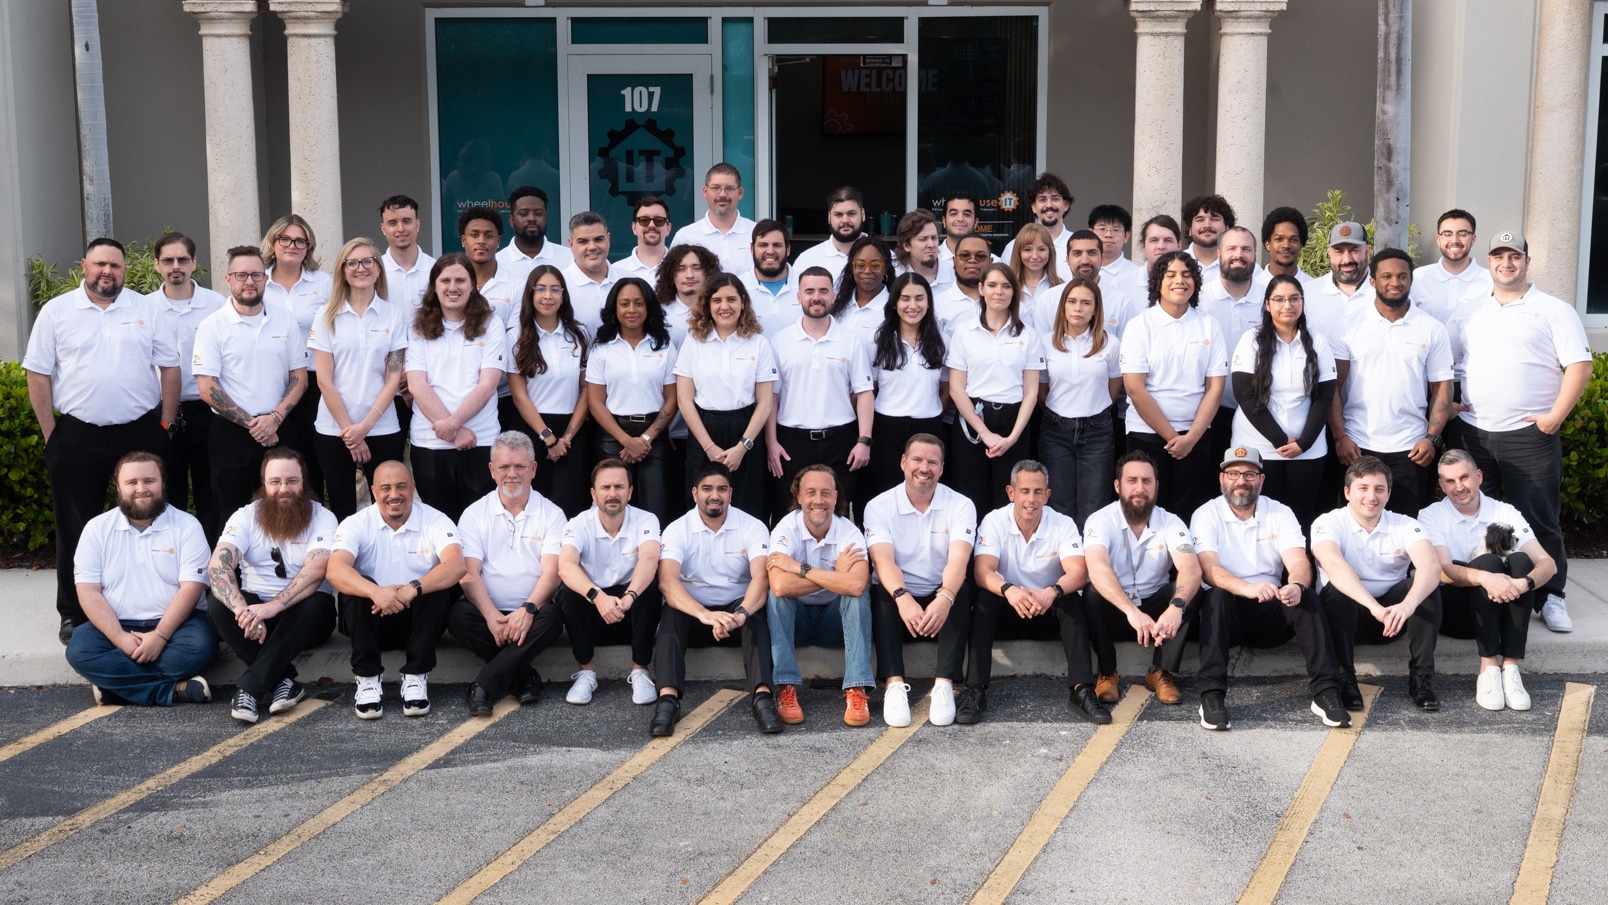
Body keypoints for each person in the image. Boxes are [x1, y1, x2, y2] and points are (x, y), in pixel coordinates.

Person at [26, 237, 178, 642]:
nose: (107, 271)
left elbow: (169, 366)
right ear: (84, 266)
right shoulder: (57, 312)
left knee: (150, 523)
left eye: (115, 265)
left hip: (140, 432)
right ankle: (74, 613)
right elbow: (38, 373)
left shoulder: (146, 308)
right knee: (76, 527)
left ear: (126, 270)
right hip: (77, 434)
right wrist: (51, 434)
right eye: (99, 265)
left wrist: (163, 424)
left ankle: (158, 606)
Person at [1455, 229, 1591, 633]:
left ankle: (1552, 597)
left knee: (1539, 519)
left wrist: (1554, 418)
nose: (1506, 263)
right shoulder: (1471, 310)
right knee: (1480, 519)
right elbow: (1455, 363)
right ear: (1490, 261)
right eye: (1498, 256)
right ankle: (1491, 590)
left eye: (1514, 256)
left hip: (1528, 436)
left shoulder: (1554, 309)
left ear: (1527, 261)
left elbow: (1579, 367)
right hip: (1473, 433)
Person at [1190, 447, 1350, 730]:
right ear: (1222, 479)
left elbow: (1299, 560)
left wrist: (1297, 584)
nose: (1241, 480)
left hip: (1269, 609)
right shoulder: (1206, 514)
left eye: (1250, 474)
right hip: (1227, 614)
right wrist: (1246, 588)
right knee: (1216, 596)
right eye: (1234, 474)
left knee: (1307, 597)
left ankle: (1326, 691)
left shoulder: (1280, 512)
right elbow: (1209, 569)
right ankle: (1211, 695)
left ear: (1261, 480)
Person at [66, 452, 213, 706]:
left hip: (178, 627)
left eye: (149, 481)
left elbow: (192, 588)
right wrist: (120, 639)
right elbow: (88, 591)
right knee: (80, 649)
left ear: (163, 484)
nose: (141, 489)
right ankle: (169, 691)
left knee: (201, 647)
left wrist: (160, 636)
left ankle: (116, 688)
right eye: (132, 482)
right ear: (118, 487)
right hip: (117, 625)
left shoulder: (187, 526)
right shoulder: (96, 529)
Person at [206, 448, 337, 723]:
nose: (283, 489)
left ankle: (249, 688)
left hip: (303, 614)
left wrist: (272, 607)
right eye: (275, 482)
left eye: (291, 481)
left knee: (314, 605)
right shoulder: (245, 516)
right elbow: (218, 566)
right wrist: (245, 610)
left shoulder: (323, 517)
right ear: (264, 484)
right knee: (218, 604)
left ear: (304, 482)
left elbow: (317, 570)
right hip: (255, 615)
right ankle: (284, 682)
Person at [1419, 449, 1556, 711]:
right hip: (1459, 613)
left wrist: (1521, 584)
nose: (1459, 487)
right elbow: (1442, 571)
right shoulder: (1431, 515)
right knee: (1490, 562)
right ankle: (1489, 669)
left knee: (1521, 562)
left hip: (1506, 603)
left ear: (1479, 476)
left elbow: (1547, 564)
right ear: (1441, 484)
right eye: (1450, 481)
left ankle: (1511, 669)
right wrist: (1485, 578)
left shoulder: (1505, 511)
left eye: (1464, 477)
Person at [973, 460, 1110, 725]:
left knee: (1070, 599)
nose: (1031, 499)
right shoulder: (994, 521)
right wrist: (1009, 590)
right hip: (1009, 609)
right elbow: (982, 571)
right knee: (984, 599)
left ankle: (1081, 690)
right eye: (1024, 491)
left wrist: (1051, 591)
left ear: (1047, 495)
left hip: (1047, 610)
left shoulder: (1063, 524)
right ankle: (975, 690)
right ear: (1011, 493)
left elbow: (1079, 573)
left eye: (1038, 492)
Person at [327, 460, 466, 719]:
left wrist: (412, 588)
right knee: (355, 586)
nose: (394, 494)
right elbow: (335, 570)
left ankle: (415, 677)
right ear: (374, 491)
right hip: (369, 619)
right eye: (386, 488)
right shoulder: (356, 523)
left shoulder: (436, 519)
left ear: (413, 488)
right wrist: (376, 592)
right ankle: (367, 679)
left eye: (401, 486)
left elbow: (456, 565)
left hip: (418, 622)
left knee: (433, 588)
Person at [651, 462, 780, 736]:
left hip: (736, 613)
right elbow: (667, 581)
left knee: (756, 618)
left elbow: (761, 578)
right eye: (707, 489)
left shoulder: (752, 526)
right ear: (695, 492)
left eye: (722, 489)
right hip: (695, 613)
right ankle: (667, 700)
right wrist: (705, 615)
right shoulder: (677, 529)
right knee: (670, 617)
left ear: (731, 493)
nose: (715, 495)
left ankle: (763, 697)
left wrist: (741, 614)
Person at [1311, 456, 1444, 712]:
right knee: (1339, 590)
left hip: (1392, 619)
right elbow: (1335, 566)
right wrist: (1373, 606)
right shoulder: (1327, 522)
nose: (1371, 497)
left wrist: (1407, 606)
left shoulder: (1406, 524)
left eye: (1379, 489)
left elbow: (1431, 566)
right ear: (1347, 492)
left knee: (1426, 586)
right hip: (1345, 617)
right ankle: (1345, 677)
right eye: (1363, 488)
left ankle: (1421, 679)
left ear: (1388, 494)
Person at [450, 432, 569, 715]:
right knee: (456, 616)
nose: (511, 474)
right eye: (504, 467)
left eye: (520, 467)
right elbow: (469, 574)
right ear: (492, 471)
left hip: (534, 611)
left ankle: (484, 686)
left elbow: (552, 573)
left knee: (554, 617)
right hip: (486, 614)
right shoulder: (473, 514)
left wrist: (527, 610)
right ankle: (522, 676)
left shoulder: (552, 514)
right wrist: (492, 616)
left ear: (534, 470)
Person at [193, 245, 309, 534]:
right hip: (231, 433)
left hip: (280, 428)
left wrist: (275, 419)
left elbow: (299, 376)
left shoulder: (284, 320)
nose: (250, 281)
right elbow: (207, 387)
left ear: (266, 279)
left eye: (256, 274)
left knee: (288, 509)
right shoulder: (212, 326)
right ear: (228, 279)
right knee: (230, 515)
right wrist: (252, 424)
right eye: (241, 275)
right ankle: (231, 577)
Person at [1329, 248, 1453, 516]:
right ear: (1372, 281)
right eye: (1386, 276)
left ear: (1410, 280)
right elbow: (1334, 387)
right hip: (1359, 444)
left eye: (1402, 276)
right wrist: (1340, 437)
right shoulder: (1348, 325)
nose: (1395, 282)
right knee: (1360, 523)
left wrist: (1432, 437)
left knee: (1408, 526)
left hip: (1411, 448)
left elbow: (1442, 387)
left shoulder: (1432, 329)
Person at [864, 434, 976, 727]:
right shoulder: (878, 505)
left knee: (960, 590)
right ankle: (894, 684)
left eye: (932, 462)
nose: (924, 468)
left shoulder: (961, 505)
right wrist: (902, 597)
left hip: (940, 595)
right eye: (917, 460)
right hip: (900, 596)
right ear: (903, 463)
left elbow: (959, 560)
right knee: (880, 591)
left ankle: (943, 684)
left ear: (941, 467)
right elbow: (882, 560)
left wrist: (945, 597)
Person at [1081, 451, 1202, 706]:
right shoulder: (1100, 520)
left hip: (1156, 613)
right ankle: (1107, 671)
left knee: (1191, 590)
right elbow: (1097, 567)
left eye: (1147, 481)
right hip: (1117, 609)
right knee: (1092, 593)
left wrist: (1176, 607)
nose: (1140, 488)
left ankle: (1160, 671)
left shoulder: (1171, 521)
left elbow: (1190, 567)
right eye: (1132, 480)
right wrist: (1130, 611)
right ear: (1117, 486)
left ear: (1156, 486)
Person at [766, 465, 875, 727]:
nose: (818, 501)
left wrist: (800, 570)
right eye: (811, 493)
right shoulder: (786, 528)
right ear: (799, 496)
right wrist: (833, 575)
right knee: (776, 598)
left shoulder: (848, 531)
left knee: (857, 597)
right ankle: (786, 687)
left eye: (826, 493)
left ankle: (857, 689)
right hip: (797, 622)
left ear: (836, 497)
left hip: (835, 622)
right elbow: (780, 585)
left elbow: (858, 584)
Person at [1121, 250, 1227, 518]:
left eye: (1187, 275)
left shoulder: (1209, 325)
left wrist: (1190, 438)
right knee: (1144, 510)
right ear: (1158, 281)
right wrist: (1172, 438)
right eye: (1170, 275)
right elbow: (1135, 388)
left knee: (1189, 511)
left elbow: (1215, 388)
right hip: (1147, 437)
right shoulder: (1139, 326)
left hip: (1196, 437)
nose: (1179, 281)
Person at [309, 237, 408, 520]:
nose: (360, 268)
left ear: (378, 269)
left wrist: (364, 427)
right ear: (342, 270)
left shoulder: (394, 315)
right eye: (351, 262)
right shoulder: (325, 316)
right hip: (333, 430)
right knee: (342, 507)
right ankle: (344, 564)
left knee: (388, 505)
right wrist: (351, 433)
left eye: (367, 261)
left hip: (382, 426)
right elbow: (324, 381)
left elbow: (394, 377)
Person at [1230, 275, 1338, 528]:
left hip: (1308, 450)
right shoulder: (1251, 340)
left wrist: (1303, 443)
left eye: (1294, 299)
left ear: (1302, 302)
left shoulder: (1318, 341)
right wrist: (1279, 439)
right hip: (1257, 447)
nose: (1287, 305)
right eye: (1278, 299)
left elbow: (1324, 398)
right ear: (1267, 304)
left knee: (1301, 520)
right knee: (1260, 520)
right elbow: (1245, 394)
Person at [765, 266, 875, 516]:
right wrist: (771, 442)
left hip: (841, 442)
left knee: (838, 514)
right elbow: (770, 397)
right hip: (790, 442)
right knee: (790, 513)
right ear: (798, 297)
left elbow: (865, 392)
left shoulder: (850, 340)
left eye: (823, 291)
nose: (817, 297)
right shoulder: (780, 342)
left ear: (833, 296)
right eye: (810, 291)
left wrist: (864, 440)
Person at [557, 458, 664, 706]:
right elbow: (566, 566)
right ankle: (586, 672)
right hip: (594, 610)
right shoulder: (578, 523)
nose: (612, 494)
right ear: (593, 493)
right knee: (568, 592)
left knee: (649, 586)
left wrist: (629, 597)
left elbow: (649, 559)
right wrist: (598, 597)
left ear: (630, 492)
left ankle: (640, 669)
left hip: (631, 607)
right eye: (605, 488)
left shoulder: (646, 519)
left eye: (619, 487)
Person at [406, 253, 505, 521]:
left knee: (479, 525)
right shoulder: (418, 326)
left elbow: (487, 384)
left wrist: (454, 426)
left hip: (480, 440)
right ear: (434, 286)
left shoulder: (491, 324)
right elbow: (416, 384)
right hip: (430, 444)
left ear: (472, 284)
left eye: (460, 280)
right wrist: (453, 431)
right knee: (439, 525)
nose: (453, 287)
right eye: (445, 280)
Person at [675, 272, 776, 518]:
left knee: (750, 506)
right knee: (703, 508)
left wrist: (743, 446)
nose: (724, 307)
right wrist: (708, 447)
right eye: (717, 300)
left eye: (731, 299)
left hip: (746, 430)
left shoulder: (758, 343)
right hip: (704, 430)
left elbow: (765, 402)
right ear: (707, 304)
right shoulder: (694, 342)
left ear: (743, 302)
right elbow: (684, 400)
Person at [947, 262, 1045, 516]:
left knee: (1008, 500)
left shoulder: (1028, 335)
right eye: (991, 285)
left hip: (1015, 422)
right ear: (981, 289)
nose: (998, 291)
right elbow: (957, 389)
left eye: (1005, 286)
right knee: (970, 497)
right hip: (973, 421)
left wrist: (1012, 438)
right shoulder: (964, 332)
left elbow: (1031, 392)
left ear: (1014, 292)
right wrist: (983, 432)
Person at [148, 232, 225, 542]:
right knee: (168, 491)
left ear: (194, 263)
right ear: (156, 265)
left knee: (211, 491)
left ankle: (213, 565)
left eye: (182, 259)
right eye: (168, 260)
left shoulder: (217, 304)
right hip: (161, 412)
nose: (175, 266)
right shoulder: (144, 307)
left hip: (208, 410)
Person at [586, 277, 678, 525]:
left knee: (656, 511)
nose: (631, 310)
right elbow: (595, 402)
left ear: (648, 307)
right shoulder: (601, 349)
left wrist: (645, 439)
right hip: (612, 436)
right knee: (611, 509)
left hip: (654, 439)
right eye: (624, 303)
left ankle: (654, 563)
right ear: (615, 309)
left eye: (638, 303)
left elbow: (672, 398)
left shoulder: (664, 346)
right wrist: (626, 440)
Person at [506, 264, 592, 518]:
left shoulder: (579, 334)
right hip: (531, 429)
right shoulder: (516, 337)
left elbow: (586, 388)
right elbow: (519, 396)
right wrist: (548, 437)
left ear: (564, 295)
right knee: (531, 505)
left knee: (572, 503)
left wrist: (567, 436)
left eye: (555, 289)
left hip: (572, 431)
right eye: (541, 289)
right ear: (530, 294)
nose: (548, 296)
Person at [261, 214, 333, 500]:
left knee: (312, 462)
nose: (292, 245)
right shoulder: (259, 280)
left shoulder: (323, 283)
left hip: (315, 383)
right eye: (285, 239)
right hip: (271, 383)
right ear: (273, 242)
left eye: (300, 240)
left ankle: (315, 524)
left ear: (308, 247)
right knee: (276, 462)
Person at [1038, 278, 1120, 527]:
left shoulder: (1110, 343)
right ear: (1063, 305)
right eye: (1072, 302)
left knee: (1094, 505)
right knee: (1058, 503)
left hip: (1097, 430)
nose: (1078, 308)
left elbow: (1113, 389)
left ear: (1096, 309)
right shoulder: (1046, 343)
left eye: (1086, 303)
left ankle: (1092, 564)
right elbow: (1041, 388)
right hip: (1055, 429)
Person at [869, 272, 947, 497]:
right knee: (884, 493)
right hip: (886, 428)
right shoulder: (876, 340)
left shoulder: (943, 341)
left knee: (927, 493)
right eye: (905, 298)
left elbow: (946, 389)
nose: (913, 305)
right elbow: (869, 388)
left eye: (919, 298)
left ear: (929, 302)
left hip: (930, 427)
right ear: (894, 303)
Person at [1199, 226, 1269, 458]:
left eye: (1246, 249)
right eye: (1231, 249)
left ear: (1255, 256)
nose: (1239, 254)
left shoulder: (1272, 300)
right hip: (1208, 413)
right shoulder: (1199, 299)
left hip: (1262, 413)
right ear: (1219, 253)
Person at [670, 162, 757, 274]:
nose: (722, 195)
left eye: (729, 188)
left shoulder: (757, 233)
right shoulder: (685, 237)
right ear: (705, 192)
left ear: (740, 193)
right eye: (716, 188)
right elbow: (672, 279)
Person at [1413, 209, 1491, 325]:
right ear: (1438, 240)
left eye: (1462, 234)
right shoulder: (1418, 278)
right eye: (1447, 234)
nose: (1454, 240)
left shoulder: (1490, 281)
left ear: (1473, 239)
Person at [1303, 221, 1374, 343]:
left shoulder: (1385, 293)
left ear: (1368, 251)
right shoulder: (1308, 293)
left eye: (1354, 250)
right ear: (1329, 253)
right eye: (1339, 251)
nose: (1346, 260)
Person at [1060, 229, 1137, 338]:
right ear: (1067, 260)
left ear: (1102, 258)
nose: (1085, 260)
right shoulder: (1049, 300)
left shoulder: (1120, 303)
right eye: (1077, 253)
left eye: (1092, 253)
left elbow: (1126, 347)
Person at [496, 185, 574, 292]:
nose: (532, 218)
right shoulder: (497, 263)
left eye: (538, 213)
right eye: (524, 214)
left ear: (546, 217)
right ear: (511, 220)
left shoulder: (569, 258)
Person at [460, 204, 522, 329]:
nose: (481, 241)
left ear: (498, 241)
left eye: (488, 236)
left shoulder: (518, 287)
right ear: (463, 240)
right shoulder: (448, 284)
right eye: (474, 235)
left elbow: (514, 334)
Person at [738, 220, 801, 333]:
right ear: (752, 249)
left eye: (777, 245)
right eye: (763, 245)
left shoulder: (806, 286)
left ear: (788, 250)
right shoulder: (737, 287)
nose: (770, 251)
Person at [1000, 173, 1074, 268]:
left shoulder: (1078, 247)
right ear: (1034, 206)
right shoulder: (1013, 248)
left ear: (1066, 205)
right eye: (1042, 200)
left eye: (1055, 199)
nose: (1049, 205)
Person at [794, 186, 866, 282]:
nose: (845, 220)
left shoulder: (885, 256)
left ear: (862, 215)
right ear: (829, 217)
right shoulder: (806, 260)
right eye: (838, 214)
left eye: (851, 214)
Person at [379, 194, 437, 316]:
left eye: (406, 221)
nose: (401, 229)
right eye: (393, 223)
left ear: (417, 225)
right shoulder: (374, 271)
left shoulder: (437, 269)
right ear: (383, 229)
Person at [831, 235, 894, 344]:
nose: (867, 271)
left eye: (875, 265)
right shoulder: (837, 305)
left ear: (885, 268)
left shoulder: (894, 308)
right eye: (860, 265)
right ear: (852, 267)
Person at [561, 211, 619, 332]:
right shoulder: (559, 286)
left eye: (598, 239)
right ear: (571, 244)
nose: (592, 247)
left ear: (608, 239)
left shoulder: (628, 279)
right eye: (583, 241)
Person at [934, 234, 992, 339]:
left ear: (990, 262)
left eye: (980, 256)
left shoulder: (1006, 302)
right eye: (965, 255)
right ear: (954, 261)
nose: (972, 260)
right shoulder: (937, 305)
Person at [1008, 223, 1063, 321]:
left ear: (1050, 252)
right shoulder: (1008, 286)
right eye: (1028, 249)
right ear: (1018, 252)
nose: (1034, 256)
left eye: (1041, 249)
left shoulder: (1060, 286)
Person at [611, 195, 672, 281]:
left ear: (668, 228)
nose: (651, 225)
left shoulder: (681, 269)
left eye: (659, 220)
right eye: (644, 220)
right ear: (634, 228)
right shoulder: (615, 271)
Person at [894, 209, 951, 297]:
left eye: (934, 238)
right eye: (923, 239)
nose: (931, 244)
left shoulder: (954, 275)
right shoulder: (894, 275)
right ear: (906, 246)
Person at [1127, 214, 1182, 303]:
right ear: (1143, 246)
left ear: (1179, 245)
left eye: (1168, 240)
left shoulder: (1189, 283)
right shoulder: (1121, 284)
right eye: (1154, 240)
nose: (1161, 246)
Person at [1182, 194, 1236, 284]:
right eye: (1200, 220)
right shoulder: (1173, 264)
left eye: (1214, 219)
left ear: (1227, 228)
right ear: (1190, 229)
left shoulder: (1243, 265)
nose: (1207, 225)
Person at [1258, 206, 1315, 286]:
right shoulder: (1253, 286)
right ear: (1268, 244)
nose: (1286, 245)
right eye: (1279, 239)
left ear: (1301, 245)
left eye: (1293, 240)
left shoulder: (1313, 287)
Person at [1089, 204, 1141, 286]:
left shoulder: (1135, 274)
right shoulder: (1080, 268)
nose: (1108, 234)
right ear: (1090, 233)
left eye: (1116, 230)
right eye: (1102, 229)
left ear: (1126, 236)